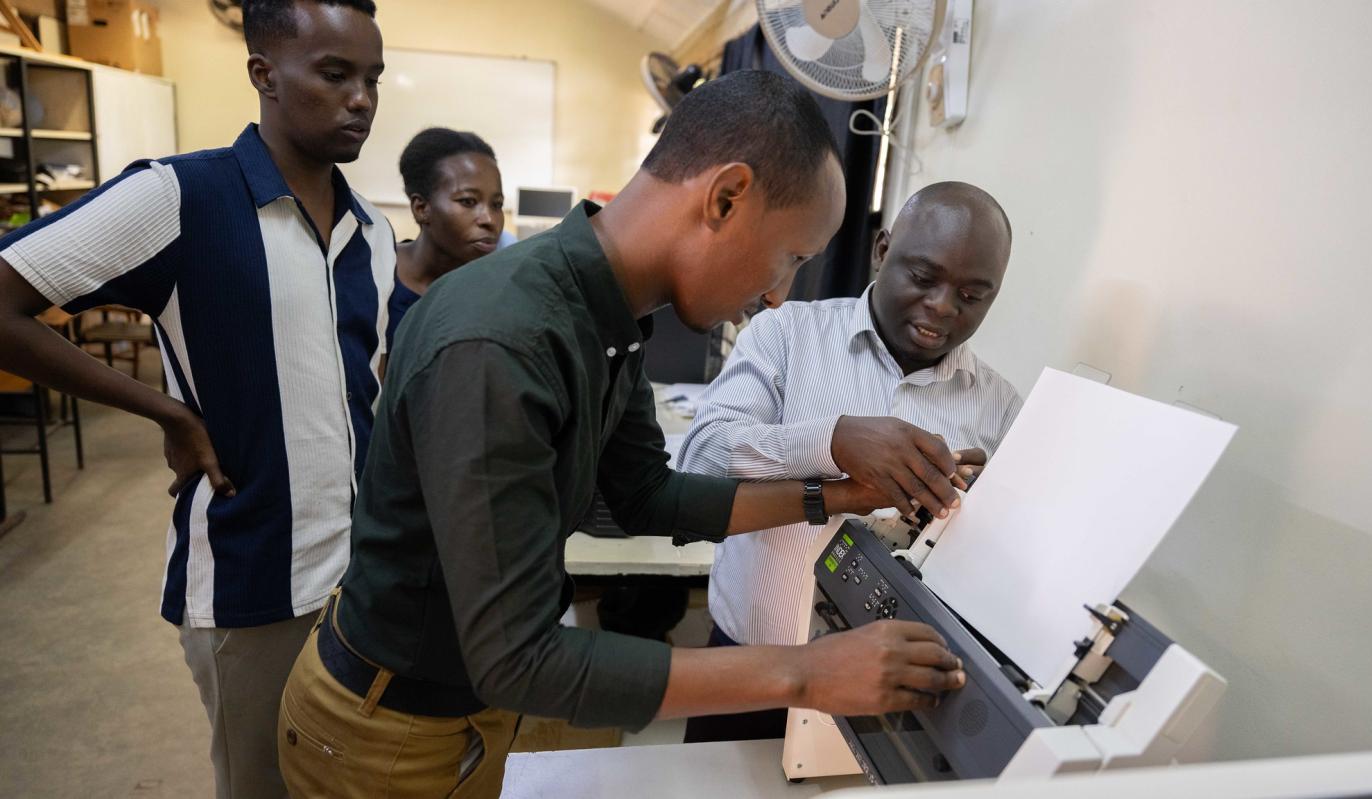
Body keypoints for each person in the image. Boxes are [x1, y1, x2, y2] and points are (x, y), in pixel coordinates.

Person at [278, 70, 973, 798]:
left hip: (484, 701)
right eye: (791, 256)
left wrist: (840, 496)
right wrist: (808, 670)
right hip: (392, 722)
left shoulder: (606, 315)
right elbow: (517, 659)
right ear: (725, 197)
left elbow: (647, 497)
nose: (777, 293)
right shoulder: (501, 340)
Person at [0, 1, 391, 796]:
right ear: (263, 75)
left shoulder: (371, 230)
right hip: (253, 587)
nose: (362, 99)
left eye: (372, 79)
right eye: (335, 74)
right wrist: (165, 410)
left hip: (361, 579)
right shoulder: (181, 196)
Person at [677, 181, 1022, 742]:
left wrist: (980, 510)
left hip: (895, 702)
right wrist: (833, 441)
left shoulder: (1002, 408)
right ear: (882, 251)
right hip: (753, 674)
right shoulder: (785, 334)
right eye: (924, 277)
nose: (941, 306)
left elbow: (1004, 573)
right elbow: (700, 464)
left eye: (972, 295)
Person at [387, 127, 506, 344]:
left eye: (497, 204)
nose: (489, 219)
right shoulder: (373, 274)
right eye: (468, 201)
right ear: (421, 208)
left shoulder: (495, 295)